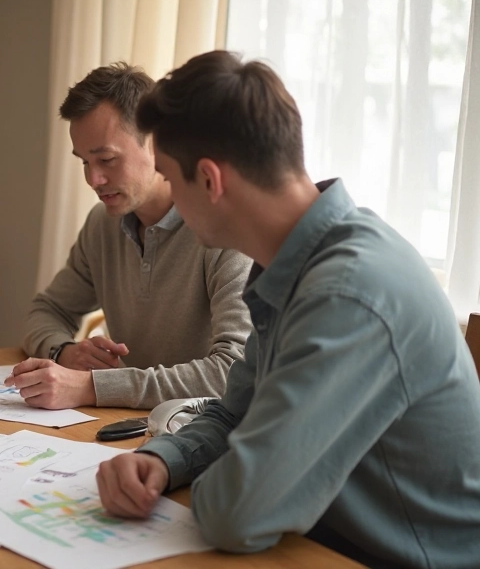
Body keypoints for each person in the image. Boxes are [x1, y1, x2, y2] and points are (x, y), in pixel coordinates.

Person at [95, 50, 480, 568]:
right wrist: (162, 461)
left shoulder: (347, 293)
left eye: (168, 176)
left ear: (210, 180)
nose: (168, 201)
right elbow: (235, 412)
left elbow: (238, 512)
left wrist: (222, 474)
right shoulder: (300, 263)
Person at [11, 62, 252, 410]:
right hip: (127, 425)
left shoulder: (224, 229)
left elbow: (234, 372)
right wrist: (65, 352)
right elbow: (46, 310)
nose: (93, 180)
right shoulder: (103, 224)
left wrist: (93, 386)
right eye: (83, 162)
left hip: (203, 435)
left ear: (158, 143)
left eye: (107, 159)